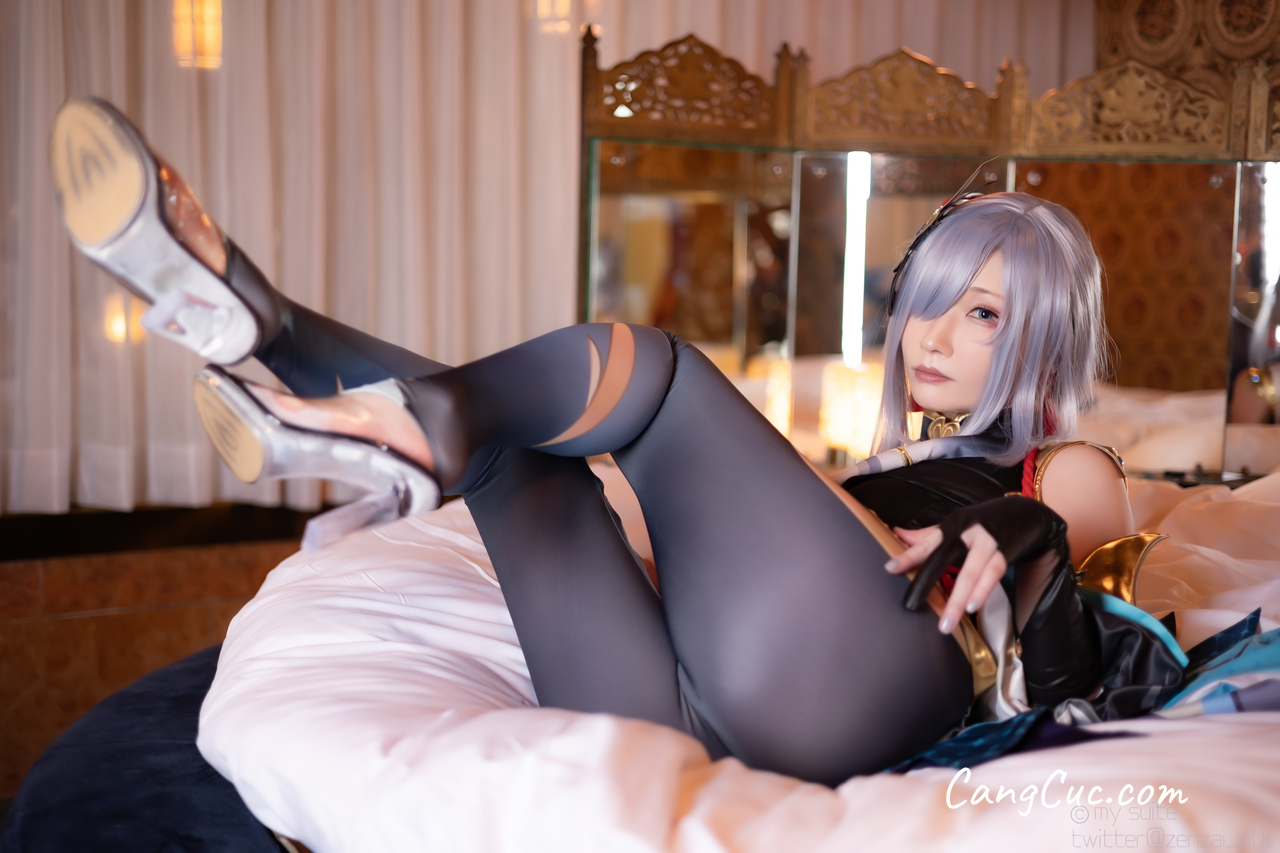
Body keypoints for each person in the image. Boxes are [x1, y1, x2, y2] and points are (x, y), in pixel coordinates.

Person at [50, 98, 1139, 786]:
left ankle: (393, 413)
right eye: (931, 301)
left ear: (1046, 336)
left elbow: (1068, 554)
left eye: (982, 313)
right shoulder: (866, 475)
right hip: (680, 711)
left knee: (654, 370)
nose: (932, 335)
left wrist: (1016, 528)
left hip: (876, 674)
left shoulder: (1069, 465)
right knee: (515, 456)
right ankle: (268, 325)